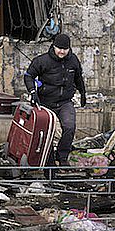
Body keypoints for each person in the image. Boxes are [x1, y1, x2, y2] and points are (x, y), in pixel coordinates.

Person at [24, 33, 87, 167]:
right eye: (59, 48)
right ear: (53, 46)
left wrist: (83, 93)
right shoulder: (42, 61)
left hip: (65, 101)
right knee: (46, 131)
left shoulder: (73, 60)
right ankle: (48, 160)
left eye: (65, 49)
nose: (62, 51)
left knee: (69, 127)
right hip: (46, 102)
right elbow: (28, 76)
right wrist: (33, 92)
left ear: (69, 49)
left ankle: (62, 157)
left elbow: (78, 78)